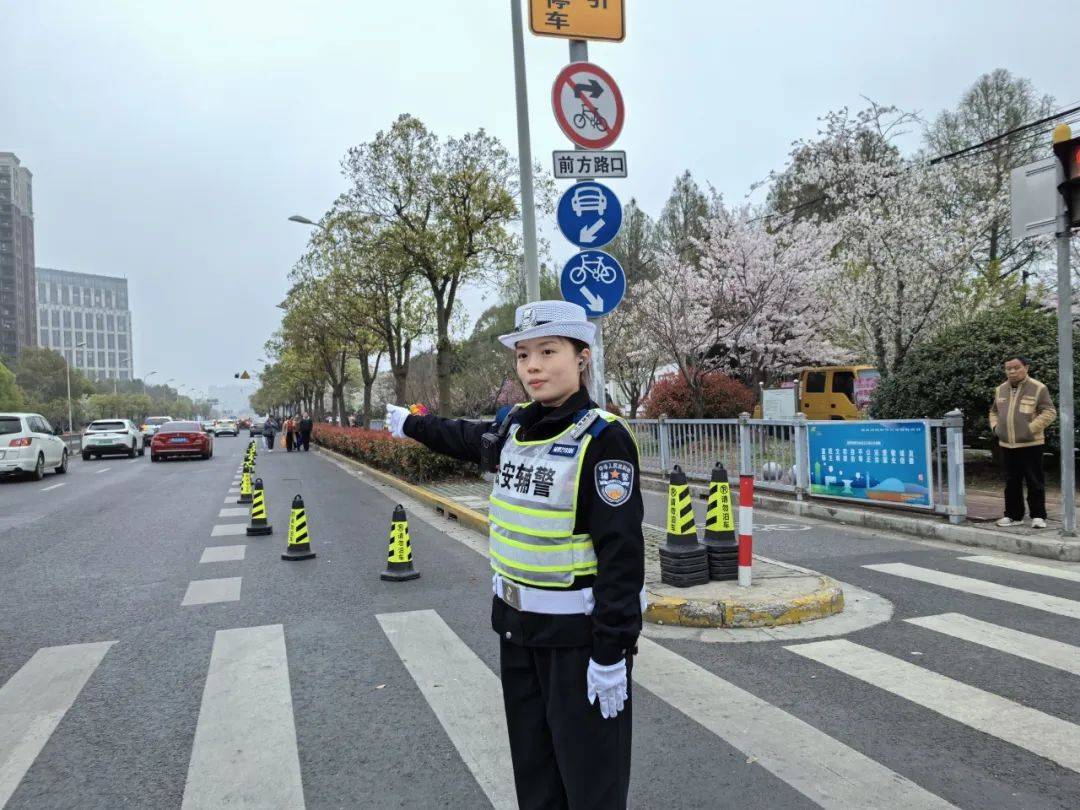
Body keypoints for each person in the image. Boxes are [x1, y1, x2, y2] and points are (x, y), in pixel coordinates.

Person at [386, 301, 644, 810]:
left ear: (582, 357)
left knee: (590, 784)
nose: (533, 366)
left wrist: (613, 651)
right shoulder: (517, 426)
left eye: (549, 351)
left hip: (578, 643)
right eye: (525, 354)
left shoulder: (603, 438)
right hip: (517, 631)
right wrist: (410, 425)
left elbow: (622, 556)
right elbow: (464, 437)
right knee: (536, 777)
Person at [989, 356, 1057, 529]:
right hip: (1007, 444)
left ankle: (1038, 516)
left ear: (1026, 367)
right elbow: (994, 412)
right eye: (1008, 368)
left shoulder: (1038, 388)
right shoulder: (1000, 389)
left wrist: (1030, 429)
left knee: (1034, 480)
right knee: (1011, 481)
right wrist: (996, 428)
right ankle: (1013, 515)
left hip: (1031, 444)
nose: (1011, 371)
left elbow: (1049, 412)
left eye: (1016, 367)